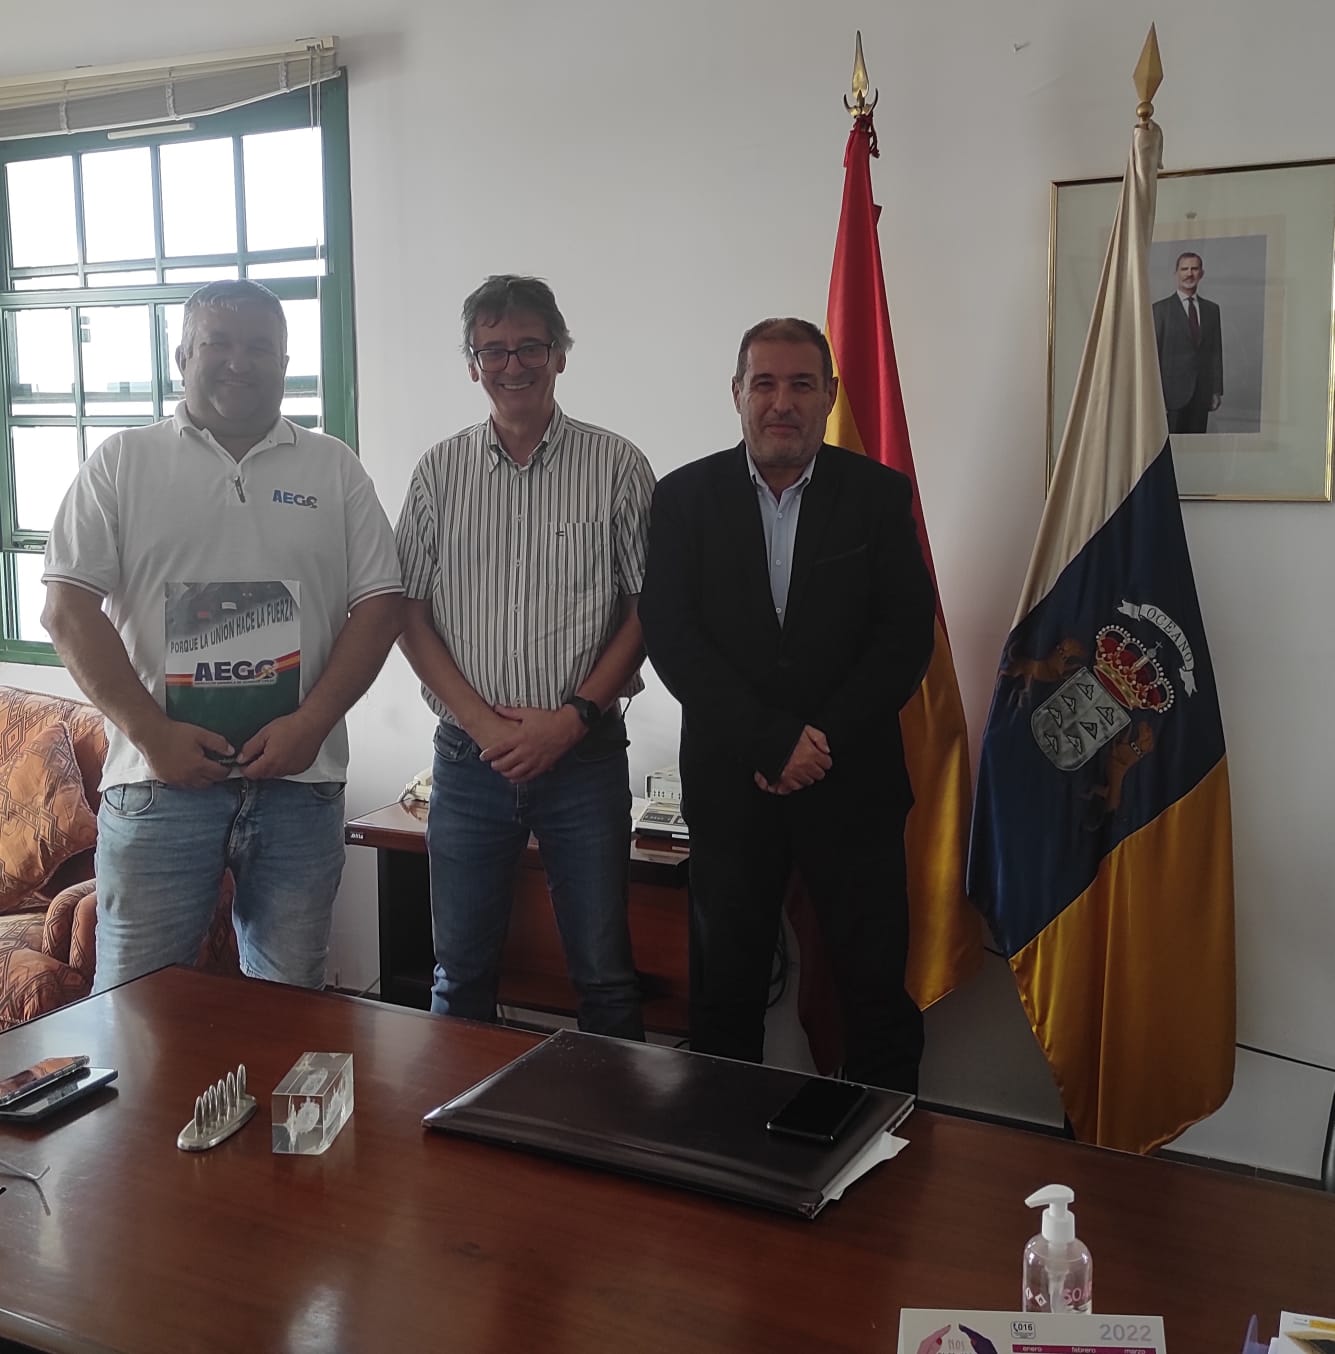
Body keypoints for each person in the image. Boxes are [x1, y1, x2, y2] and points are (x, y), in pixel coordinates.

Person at [42, 280, 404, 992]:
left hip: (300, 784)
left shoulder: (333, 467)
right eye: (219, 343)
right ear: (182, 354)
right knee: (140, 1009)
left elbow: (382, 607)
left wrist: (310, 723)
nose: (240, 361)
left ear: (286, 360)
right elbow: (67, 610)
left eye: (260, 347)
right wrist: (152, 732)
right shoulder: (121, 463)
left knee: (290, 1002)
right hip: (160, 783)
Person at [639, 317, 935, 1093]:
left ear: (829, 396)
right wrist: (768, 741)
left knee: (873, 988)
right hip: (733, 783)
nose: (781, 402)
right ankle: (724, 1156)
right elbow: (673, 638)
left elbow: (903, 639)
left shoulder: (877, 496)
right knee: (726, 986)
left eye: (801, 384)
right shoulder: (681, 499)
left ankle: (887, 1153)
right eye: (763, 383)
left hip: (852, 783)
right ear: (736, 394)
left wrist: (817, 740)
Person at [395, 275, 653, 1040]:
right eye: (493, 350)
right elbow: (406, 609)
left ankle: (613, 1149)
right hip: (469, 764)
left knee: (605, 976)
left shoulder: (617, 466)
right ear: (472, 364)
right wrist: (482, 726)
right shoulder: (438, 473)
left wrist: (570, 721)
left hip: (585, 759)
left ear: (560, 354)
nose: (513, 365)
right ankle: (457, 1151)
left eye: (530, 346)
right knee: (459, 972)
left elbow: (647, 610)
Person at [1152, 251, 1224, 434]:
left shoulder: (1212, 310)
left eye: (1194, 268)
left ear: (1202, 273)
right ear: (1176, 273)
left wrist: (1216, 390)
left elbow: (1216, 352)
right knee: (1173, 450)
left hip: (1202, 395)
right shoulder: (1160, 310)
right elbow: (1152, 356)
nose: (1189, 274)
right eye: (1184, 269)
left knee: (1196, 450)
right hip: (1170, 398)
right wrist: (1155, 396)